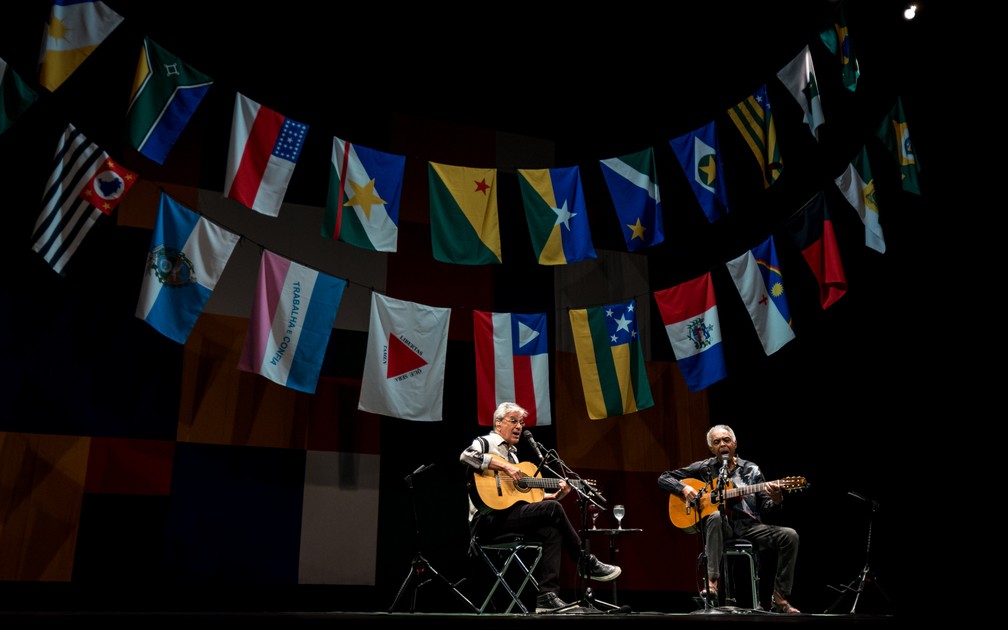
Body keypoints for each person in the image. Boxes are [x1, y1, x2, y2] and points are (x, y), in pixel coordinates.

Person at [460, 401, 621, 613]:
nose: (519, 426)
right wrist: (504, 466)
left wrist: (554, 495)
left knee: (551, 530)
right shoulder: (486, 441)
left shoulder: (515, 455)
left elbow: (523, 498)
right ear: (498, 424)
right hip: (486, 522)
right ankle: (584, 561)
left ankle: (546, 596)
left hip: (507, 520)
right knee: (552, 510)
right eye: (514, 421)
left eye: (522, 422)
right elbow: (466, 456)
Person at [657, 424, 800, 614]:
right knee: (715, 515)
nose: (722, 444)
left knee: (790, 536)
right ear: (711, 448)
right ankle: (712, 583)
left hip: (749, 526)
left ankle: (779, 597)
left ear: (735, 443)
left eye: (726, 440)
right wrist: (683, 489)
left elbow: (766, 507)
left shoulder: (752, 470)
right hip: (719, 526)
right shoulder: (705, 467)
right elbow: (664, 478)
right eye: (717, 442)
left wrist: (776, 498)